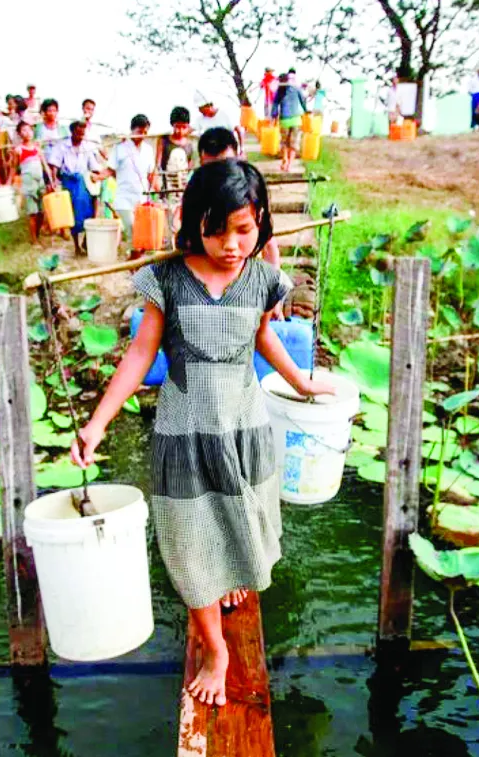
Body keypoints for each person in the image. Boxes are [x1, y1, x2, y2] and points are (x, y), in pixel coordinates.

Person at [70, 160, 335, 706]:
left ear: (261, 220)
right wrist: (98, 422)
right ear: (194, 223)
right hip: (184, 432)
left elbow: (265, 339)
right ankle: (216, 649)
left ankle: (231, 575)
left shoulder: (263, 280)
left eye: (244, 229)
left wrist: (303, 387)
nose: (231, 244)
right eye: (216, 230)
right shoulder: (167, 277)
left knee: (243, 523)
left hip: (244, 427)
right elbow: (141, 352)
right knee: (189, 544)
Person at [198, 128, 282, 284]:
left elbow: (269, 244)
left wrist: (274, 292)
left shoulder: (250, 192)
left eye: (225, 164)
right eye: (211, 168)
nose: (220, 175)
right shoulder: (196, 193)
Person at [49, 119, 103, 254]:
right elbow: (54, 165)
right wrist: (54, 181)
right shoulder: (62, 146)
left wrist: (102, 175)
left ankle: (86, 242)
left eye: (82, 134)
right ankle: (76, 246)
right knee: (71, 214)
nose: (80, 137)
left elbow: (94, 165)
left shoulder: (86, 147)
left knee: (89, 212)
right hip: (69, 182)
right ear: (72, 132)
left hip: (83, 182)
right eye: (78, 134)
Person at [104, 114, 156, 245]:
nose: (142, 135)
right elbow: (110, 169)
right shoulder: (120, 148)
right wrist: (97, 177)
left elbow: (152, 173)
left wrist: (155, 190)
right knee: (132, 228)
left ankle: (134, 259)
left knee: (141, 233)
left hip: (142, 197)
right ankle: (133, 259)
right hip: (124, 197)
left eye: (145, 132)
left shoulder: (148, 150)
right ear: (132, 130)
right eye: (139, 131)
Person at [15, 121, 51, 244]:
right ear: (19, 134)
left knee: (41, 212)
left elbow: (45, 165)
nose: (27, 133)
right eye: (24, 130)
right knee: (33, 213)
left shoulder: (37, 147)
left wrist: (51, 180)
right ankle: (34, 240)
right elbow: (14, 168)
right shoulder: (19, 150)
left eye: (29, 130)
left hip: (40, 182)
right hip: (28, 183)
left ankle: (38, 233)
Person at [271, 72, 306, 173]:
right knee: (293, 144)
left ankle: (284, 160)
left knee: (284, 143)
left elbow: (275, 105)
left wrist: (274, 116)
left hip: (284, 120)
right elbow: (303, 100)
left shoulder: (279, 91)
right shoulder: (296, 89)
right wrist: (306, 110)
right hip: (296, 119)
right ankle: (289, 165)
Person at [156, 105, 195, 192]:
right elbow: (158, 164)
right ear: (172, 125)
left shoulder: (189, 144)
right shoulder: (163, 141)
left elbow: (190, 167)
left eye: (183, 127)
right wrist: (157, 183)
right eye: (177, 127)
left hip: (183, 187)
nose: (180, 130)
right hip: (166, 187)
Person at [193, 91, 244, 157]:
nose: (199, 111)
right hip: (210, 154)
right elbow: (188, 130)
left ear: (207, 106)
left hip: (227, 153)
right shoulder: (200, 119)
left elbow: (240, 130)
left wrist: (241, 149)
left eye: (200, 108)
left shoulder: (225, 114)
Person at [36, 98, 67, 163]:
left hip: (59, 161)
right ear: (44, 112)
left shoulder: (63, 128)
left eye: (54, 110)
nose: (52, 113)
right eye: (49, 111)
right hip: (42, 160)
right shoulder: (38, 128)